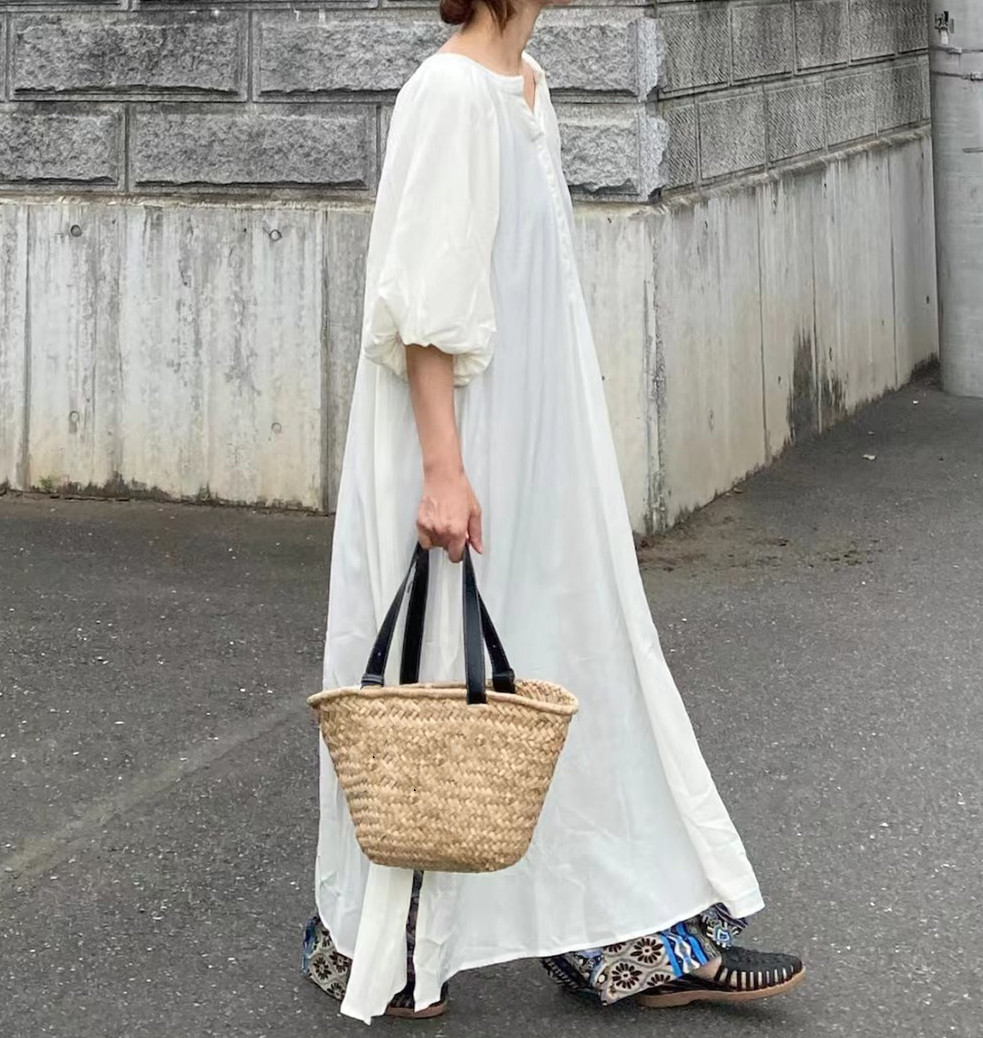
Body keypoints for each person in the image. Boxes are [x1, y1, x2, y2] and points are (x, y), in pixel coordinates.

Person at [303, 0, 805, 1022]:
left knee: (570, 660)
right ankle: (392, 946)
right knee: (440, 687)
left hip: (533, 450)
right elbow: (422, 305)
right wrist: (444, 472)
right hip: (460, 448)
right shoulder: (449, 94)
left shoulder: (528, 88)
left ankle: (616, 930)